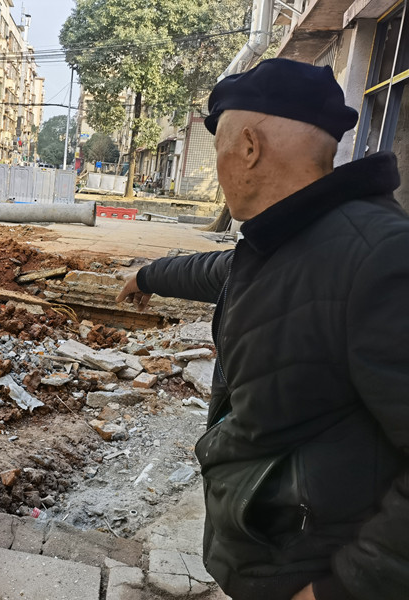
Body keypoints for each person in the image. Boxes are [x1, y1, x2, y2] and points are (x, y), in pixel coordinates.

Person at [116, 58, 409, 600]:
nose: (222, 163)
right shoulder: (291, 238)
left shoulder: (381, 258)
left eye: (222, 146)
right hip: (271, 553)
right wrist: (146, 275)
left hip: (313, 569)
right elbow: (221, 270)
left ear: (248, 146)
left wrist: (342, 588)